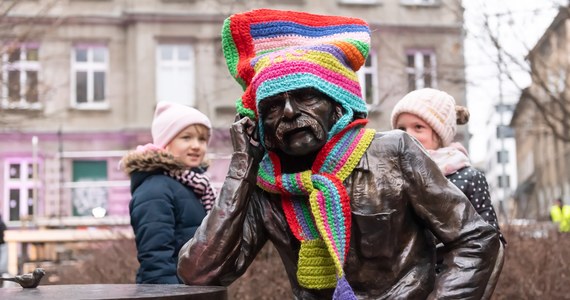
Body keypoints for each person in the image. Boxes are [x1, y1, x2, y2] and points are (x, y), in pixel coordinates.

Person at [178, 9, 500, 299]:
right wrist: (241, 169)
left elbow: (475, 240)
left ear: (337, 105)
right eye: (273, 105)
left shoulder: (394, 152)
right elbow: (200, 272)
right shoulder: (266, 184)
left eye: (306, 96)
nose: (289, 112)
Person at [391, 87, 506, 297]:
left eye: (418, 127)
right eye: (401, 128)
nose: (408, 136)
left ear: (440, 134)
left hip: (451, 285)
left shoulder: (468, 178)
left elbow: (489, 243)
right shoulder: (390, 178)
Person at [121, 102, 215, 284]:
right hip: (172, 292)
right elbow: (156, 261)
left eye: (202, 139)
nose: (196, 146)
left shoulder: (196, 186)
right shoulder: (155, 190)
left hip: (194, 290)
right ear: (166, 143)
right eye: (186, 138)